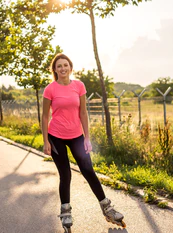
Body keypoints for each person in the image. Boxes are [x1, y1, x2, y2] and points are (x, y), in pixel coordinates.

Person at [41, 53, 125, 232]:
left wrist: (87, 137)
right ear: (55, 70)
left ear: (70, 67)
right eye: (59, 66)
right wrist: (45, 141)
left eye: (65, 65)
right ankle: (65, 212)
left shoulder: (79, 86)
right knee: (66, 174)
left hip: (77, 135)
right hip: (56, 136)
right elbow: (45, 116)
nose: (63, 68)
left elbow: (83, 113)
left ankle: (107, 208)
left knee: (88, 170)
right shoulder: (50, 89)